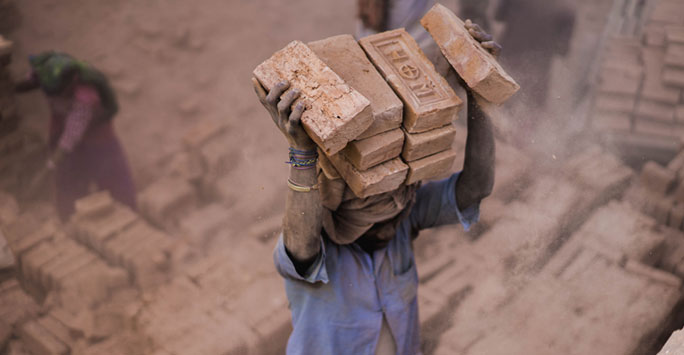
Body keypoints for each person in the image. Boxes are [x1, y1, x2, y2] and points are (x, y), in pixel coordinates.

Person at [253, 21, 497, 355]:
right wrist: (303, 152)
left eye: (398, 198)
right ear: (341, 200)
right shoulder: (316, 247)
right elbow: (301, 242)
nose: (390, 221)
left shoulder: (403, 217)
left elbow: (474, 190)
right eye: (374, 207)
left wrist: (478, 96)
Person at [15, 51, 136, 220]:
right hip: (62, 123)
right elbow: (30, 81)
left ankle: (126, 213)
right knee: (69, 180)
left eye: (62, 94)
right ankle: (71, 218)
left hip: (97, 135)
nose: (56, 97)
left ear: (72, 84)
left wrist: (48, 168)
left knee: (110, 176)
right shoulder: (46, 72)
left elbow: (70, 137)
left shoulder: (86, 97)